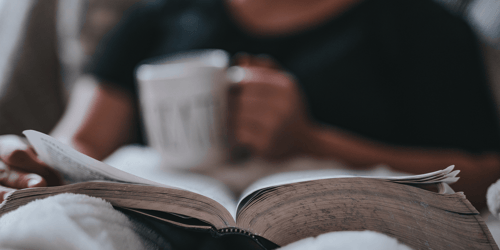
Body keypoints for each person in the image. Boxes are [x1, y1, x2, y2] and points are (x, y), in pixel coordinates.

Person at [1, 0, 499, 213]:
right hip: (160, 222)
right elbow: (79, 140)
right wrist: (26, 163)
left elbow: (484, 177)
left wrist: (310, 141)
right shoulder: (154, 19)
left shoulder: (420, 27)